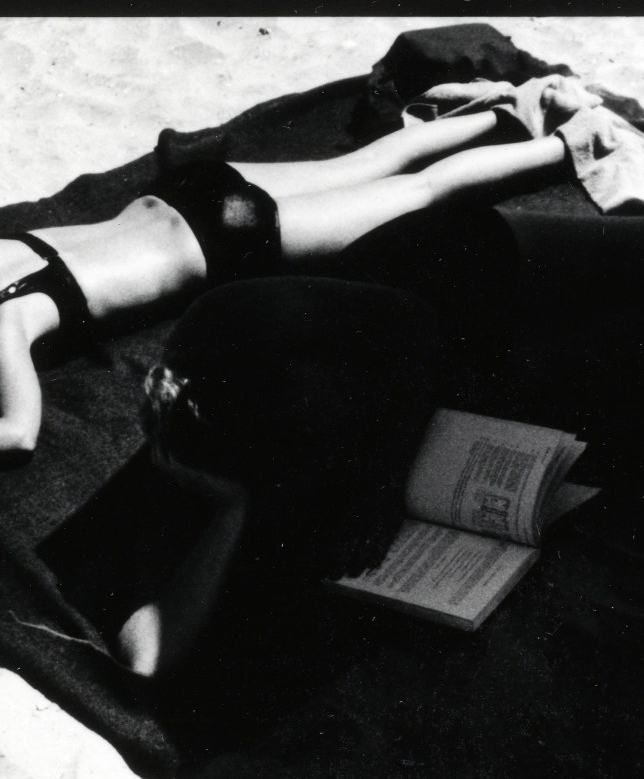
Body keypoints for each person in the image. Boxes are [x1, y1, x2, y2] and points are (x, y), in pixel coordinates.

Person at [0, 107, 568, 479]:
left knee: (419, 197)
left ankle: (562, 148)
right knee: (371, 165)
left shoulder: (6, 331)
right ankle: (507, 117)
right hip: (190, 194)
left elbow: (16, 434)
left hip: (231, 238)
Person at [112, 276, 443, 677]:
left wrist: (386, 482)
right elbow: (144, 656)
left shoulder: (283, 338)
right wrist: (230, 511)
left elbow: (423, 325)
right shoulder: (188, 449)